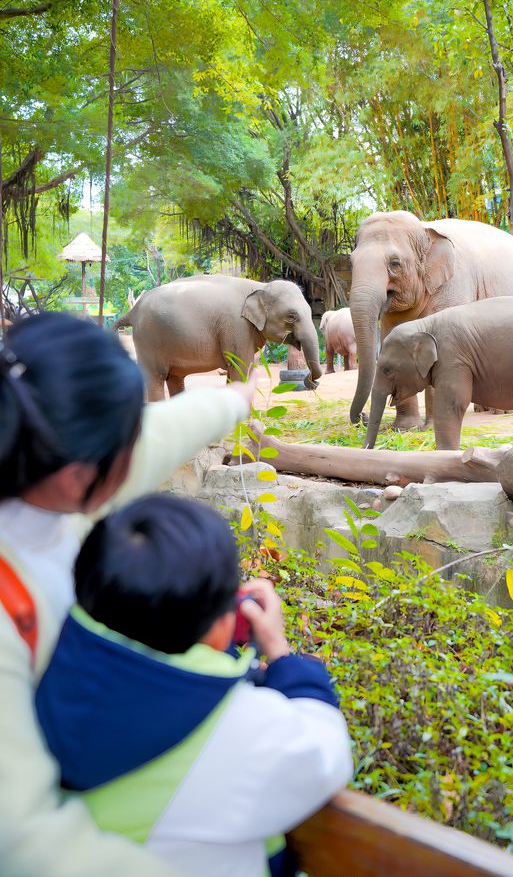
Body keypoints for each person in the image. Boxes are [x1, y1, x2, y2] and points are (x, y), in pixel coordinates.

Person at [0, 312, 256, 877]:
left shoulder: (48, 485)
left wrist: (236, 398)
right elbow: (21, 840)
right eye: (126, 433)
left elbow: (156, 437)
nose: (140, 444)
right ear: (77, 473)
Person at [36, 494, 353, 877]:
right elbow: (325, 753)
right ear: (222, 622)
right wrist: (284, 659)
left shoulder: (39, 668)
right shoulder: (242, 726)